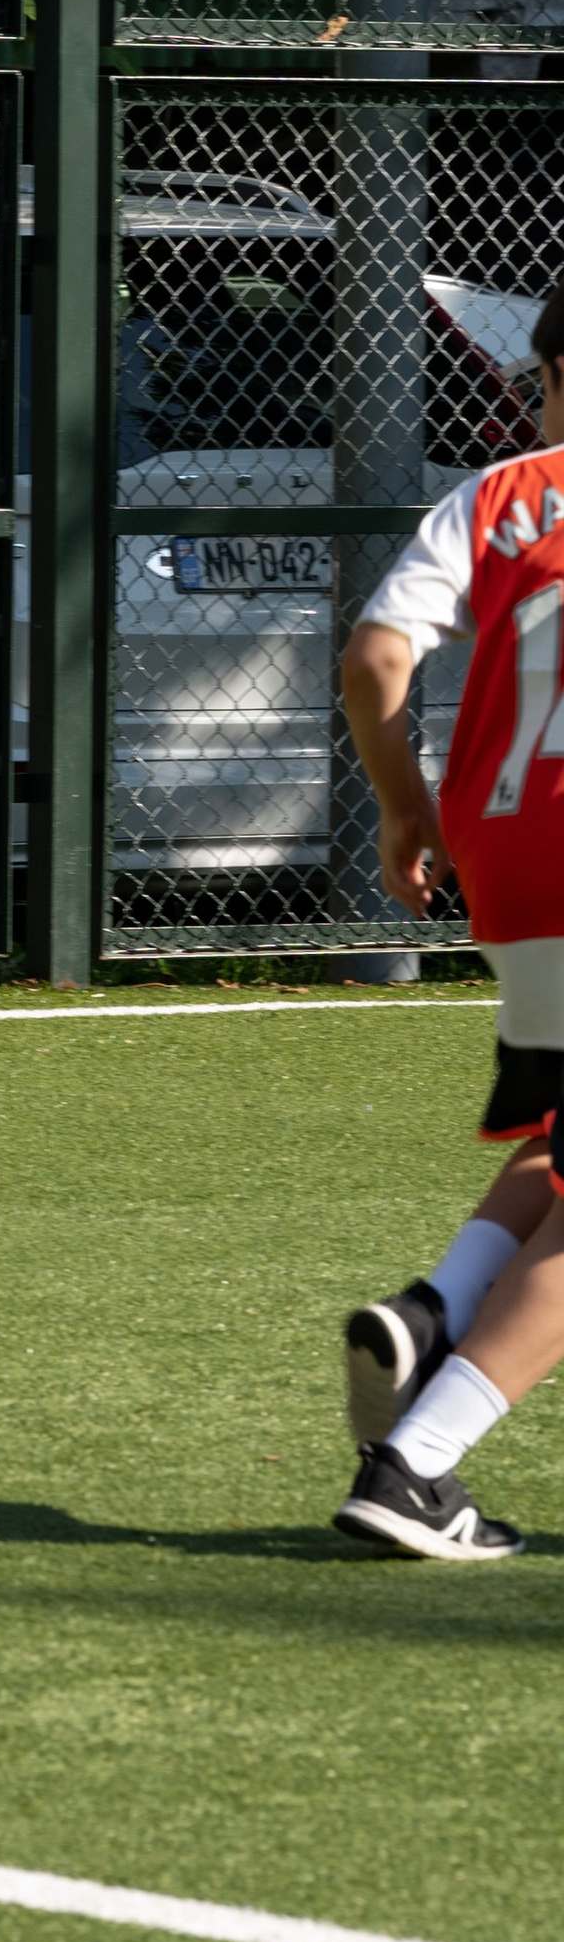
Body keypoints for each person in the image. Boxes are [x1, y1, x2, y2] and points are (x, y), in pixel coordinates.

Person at [330, 274, 564, 1557]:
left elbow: (376, 657)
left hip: (510, 861)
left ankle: (434, 1311)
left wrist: (403, 809)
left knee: (556, 1130)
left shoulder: (496, 495)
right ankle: (415, 1465)